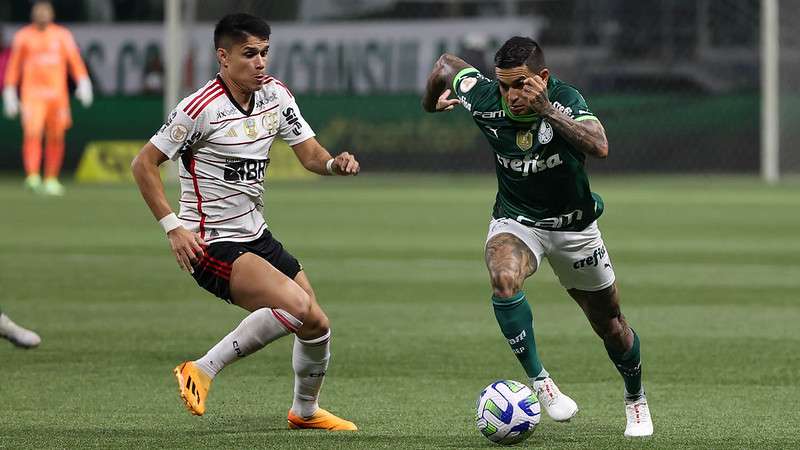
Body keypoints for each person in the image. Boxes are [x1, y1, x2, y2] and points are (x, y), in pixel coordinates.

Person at [131, 13, 359, 431]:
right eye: (249, 54)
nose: (260, 63)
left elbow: (309, 154)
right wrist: (172, 227)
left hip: (256, 233)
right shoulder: (199, 109)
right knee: (296, 306)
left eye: (265, 53)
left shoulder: (276, 96)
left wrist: (332, 163)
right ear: (223, 57)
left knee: (317, 324)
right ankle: (201, 368)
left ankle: (304, 413)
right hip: (210, 242)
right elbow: (143, 164)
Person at [422, 37, 653, 437]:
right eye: (504, 85)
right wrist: (430, 104)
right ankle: (541, 382)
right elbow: (445, 64)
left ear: (543, 78)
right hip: (518, 221)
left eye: (521, 84)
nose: (511, 95)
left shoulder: (564, 99)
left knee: (610, 324)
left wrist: (546, 110)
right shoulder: (482, 95)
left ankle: (636, 399)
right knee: (503, 276)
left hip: (574, 228)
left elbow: (600, 145)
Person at [2, 0, 93, 196]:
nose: (42, 15)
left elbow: (74, 61)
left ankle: (51, 178)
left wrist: (83, 82)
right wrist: (9, 91)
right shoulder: (23, 36)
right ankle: (33, 176)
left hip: (57, 96)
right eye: (38, 11)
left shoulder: (62, 35)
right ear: (32, 14)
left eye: (45, 11)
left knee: (57, 136)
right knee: (32, 133)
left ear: (51, 14)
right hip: (32, 95)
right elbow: (14, 66)